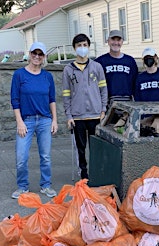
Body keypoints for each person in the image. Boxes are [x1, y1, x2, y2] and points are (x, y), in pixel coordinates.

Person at [10, 42, 58, 199]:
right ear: (29, 54)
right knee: (21, 157)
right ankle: (22, 186)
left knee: (45, 156)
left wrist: (54, 120)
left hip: (44, 120)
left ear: (44, 57)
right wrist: (19, 122)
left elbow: (52, 100)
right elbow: (15, 99)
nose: (37, 57)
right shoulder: (19, 75)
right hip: (26, 121)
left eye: (40, 54)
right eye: (34, 53)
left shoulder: (47, 76)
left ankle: (46, 185)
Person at [62, 33, 108, 179]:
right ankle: (84, 174)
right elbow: (66, 94)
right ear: (74, 48)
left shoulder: (97, 67)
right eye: (79, 46)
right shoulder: (68, 70)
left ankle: (97, 172)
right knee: (80, 149)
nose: (82, 48)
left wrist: (103, 109)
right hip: (78, 116)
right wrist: (69, 115)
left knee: (96, 148)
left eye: (85, 45)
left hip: (95, 115)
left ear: (88, 47)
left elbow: (103, 89)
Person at [95, 30, 138, 105]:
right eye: (113, 39)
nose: (115, 43)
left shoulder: (130, 61)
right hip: (107, 102)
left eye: (118, 40)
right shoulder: (100, 61)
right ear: (108, 41)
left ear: (122, 42)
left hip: (127, 101)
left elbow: (135, 82)